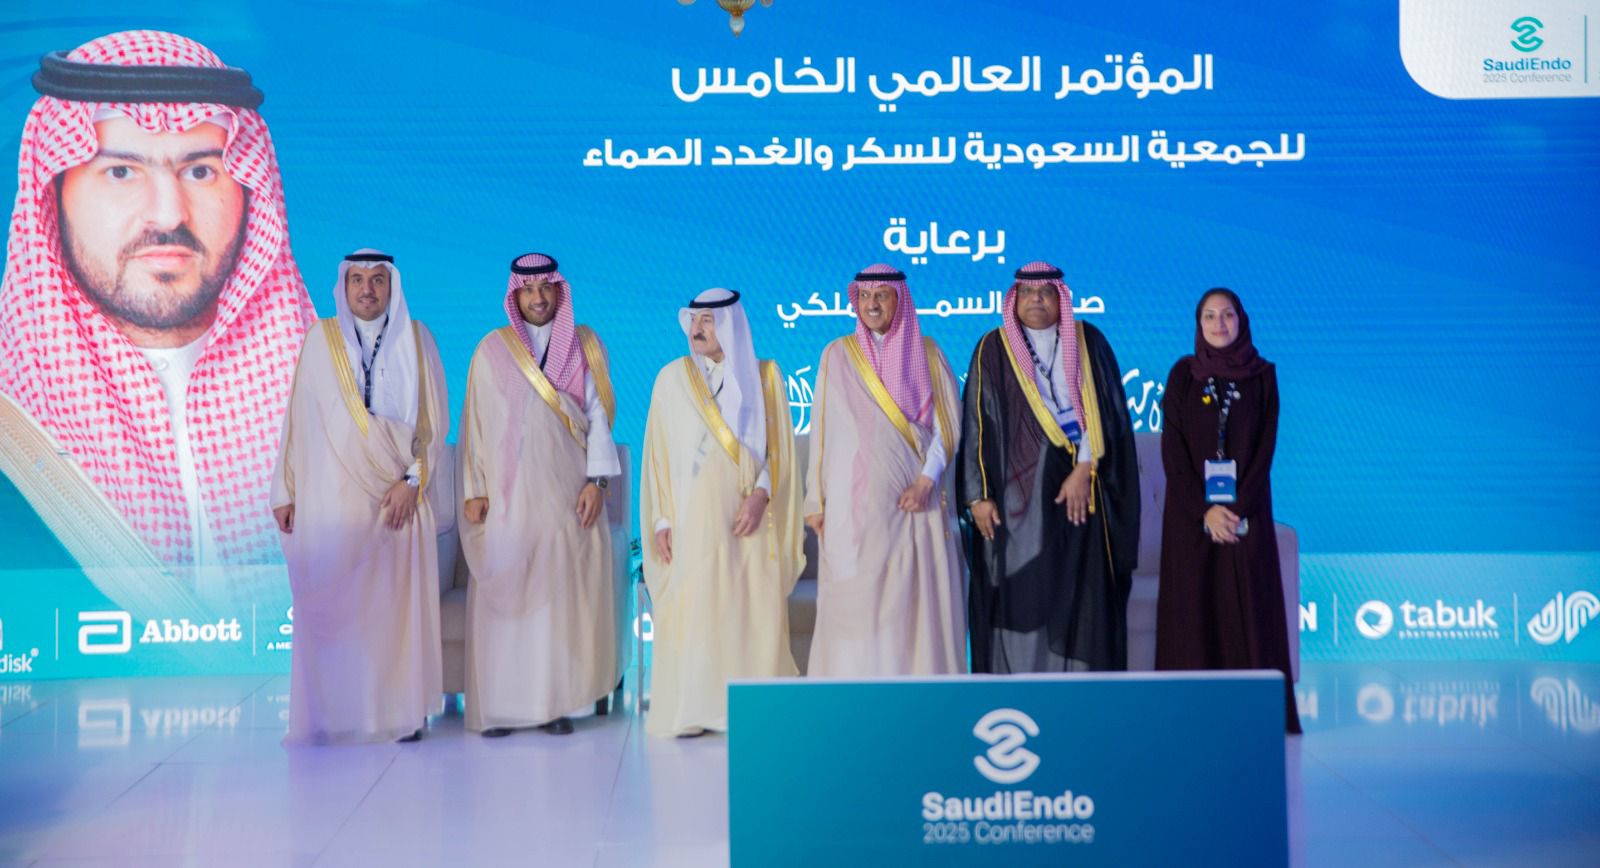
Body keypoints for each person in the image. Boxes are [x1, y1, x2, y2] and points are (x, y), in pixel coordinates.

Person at [0, 30, 314, 567]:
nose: (169, 214)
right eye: (121, 171)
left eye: (200, 171)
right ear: (53, 193)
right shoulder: (13, 423)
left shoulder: (329, 390)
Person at [271, 250, 446, 745]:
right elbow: (297, 420)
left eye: (377, 280)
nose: (367, 289)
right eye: (357, 280)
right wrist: (285, 489)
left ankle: (397, 716)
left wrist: (412, 483)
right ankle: (335, 717)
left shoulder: (418, 340)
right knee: (337, 610)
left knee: (392, 618)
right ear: (344, 287)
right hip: (332, 503)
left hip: (396, 503)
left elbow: (433, 426)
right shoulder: (319, 340)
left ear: (392, 287)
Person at [459, 253, 621, 737]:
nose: (537, 298)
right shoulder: (491, 350)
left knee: (554, 603)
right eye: (527, 290)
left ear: (558, 291)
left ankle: (553, 706)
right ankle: (502, 709)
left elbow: (598, 418)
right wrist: (474, 489)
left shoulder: (585, 345)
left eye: (545, 288)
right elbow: (476, 426)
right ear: (515, 295)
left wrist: (597, 483)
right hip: (507, 501)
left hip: (565, 497)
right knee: (506, 599)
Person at [957, 261, 1140, 673]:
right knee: (1023, 594)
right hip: (1018, 503)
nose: (1035, 299)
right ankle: (1021, 690)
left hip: (1084, 493)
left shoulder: (1089, 341)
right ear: (1014, 299)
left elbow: (1109, 415)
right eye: (1026, 292)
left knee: (1082, 592)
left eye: (1045, 292)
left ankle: (1082, 692)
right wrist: (978, 496)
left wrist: (1085, 468)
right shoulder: (993, 347)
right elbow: (976, 424)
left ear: (1061, 298)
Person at [639, 289, 803, 737]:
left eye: (708, 321)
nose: (698, 329)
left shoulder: (766, 377)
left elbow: (779, 451)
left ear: (729, 325)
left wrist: (762, 495)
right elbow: (657, 456)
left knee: (748, 610)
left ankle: (749, 709)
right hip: (691, 523)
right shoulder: (670, 378)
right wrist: (661, 521)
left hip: (748, 521)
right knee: (696, 612)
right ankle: (694, 710)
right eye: (694, 320)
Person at [802, 264, 966, 676]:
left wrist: (926, 481)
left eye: (881, 295)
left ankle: (912, 695)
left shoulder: (928, 353)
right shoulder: (837, 354)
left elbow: (947, 428)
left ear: (899, 300)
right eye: (865, 296)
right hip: (854, 506)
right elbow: (822, 430)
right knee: (856, 600)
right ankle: (853, 695)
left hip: (914, 503)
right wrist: (815, 500)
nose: (871, 304)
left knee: (911, 605)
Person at [1155, 288, 1301, 734]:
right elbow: (1173, 451)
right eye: (1209, 316)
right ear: (1198, 323)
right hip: (1190, 518)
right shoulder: (1183, 374)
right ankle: (1191, 718)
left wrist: (1232, 511)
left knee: (1249, 611)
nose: (1219, 324)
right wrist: (1205, 511)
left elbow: (1263, 452)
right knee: (1193, 612)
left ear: (1242, 320)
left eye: (1228, 315)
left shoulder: (1263, 376)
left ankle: (1254, 716)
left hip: (1246, 516)